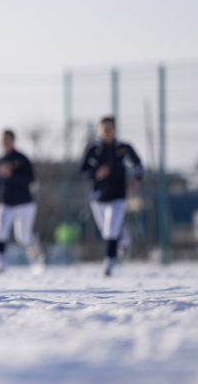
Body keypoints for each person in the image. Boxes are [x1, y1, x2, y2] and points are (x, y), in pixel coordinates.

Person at [80, 116, 143, 276]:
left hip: (118, 196)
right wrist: (96, 173)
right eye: (104, 128)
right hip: (98, 197)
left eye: (110, 128)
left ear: (115, 129)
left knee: (110, 230)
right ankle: (123, 240)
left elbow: (138, 164)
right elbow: (83, 171)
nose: (107, 131)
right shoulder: (93, 149)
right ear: (99, 130)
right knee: (107, 232)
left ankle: (108, 264)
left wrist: (137, 179)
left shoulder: (123, 147)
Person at [0, 129, 44, 273]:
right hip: (6, 202)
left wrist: (12, 175)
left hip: (24, 203)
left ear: (13, 140)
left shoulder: (22, 159)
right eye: (2, 139)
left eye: (7, 139)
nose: (4, 142)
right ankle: (0, 262)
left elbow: (31, 179)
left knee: (23, 238)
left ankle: (36, 253)